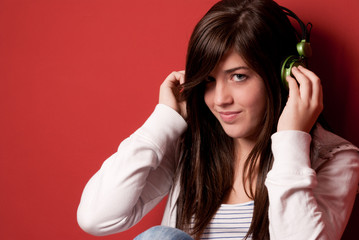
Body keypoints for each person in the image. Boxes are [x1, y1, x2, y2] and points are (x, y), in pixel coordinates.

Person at [77, 0, 359, 239]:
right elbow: (96, 218)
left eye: (238, 76)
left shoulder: (335, 159)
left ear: (285, 76)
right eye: (209, 80)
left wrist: (290, 141)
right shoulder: (190, 148)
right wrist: (163, 120)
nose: (219, 98)